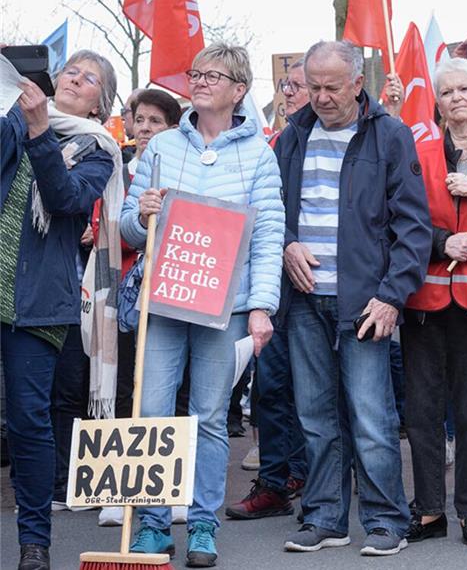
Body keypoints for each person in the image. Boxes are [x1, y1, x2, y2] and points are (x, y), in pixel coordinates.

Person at [122, 43, 285, 568]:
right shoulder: (164, 146)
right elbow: (127, 224)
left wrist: (261, 306)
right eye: (196, 73)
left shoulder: (259, 153)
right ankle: (151, 524)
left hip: (225, 306)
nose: (200, 81)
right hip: (164, 300)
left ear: (239, 90)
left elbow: (267, 235)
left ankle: (202, 525)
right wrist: (142, 213)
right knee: (150, 412)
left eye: (213, 75)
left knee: (210, 418)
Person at [273, 40, 430, 557]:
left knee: (372, 416)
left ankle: (387, 521)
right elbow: (272, 213)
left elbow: (413, 228)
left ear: (357, 83)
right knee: (315, 416)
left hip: (365, 302)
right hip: (304, 301)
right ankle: (325, 517)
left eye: (331, 87)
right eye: (312, 86)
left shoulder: (390, 136)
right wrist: (286, 242)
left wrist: (391, 297)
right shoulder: (290, 138)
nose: (319, 97)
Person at [2, 51, 121, 570]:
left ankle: (34, 542)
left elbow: (67, 198)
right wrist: (19, 118)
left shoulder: (98, 149)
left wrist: (40, 132)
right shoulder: (13, 116)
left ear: (102, 103)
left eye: (89, 77)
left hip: (38, 306)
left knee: (29, 422)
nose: (74, 77)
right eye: (71, 70)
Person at [400, 58, 467, 546]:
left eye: (466, 88)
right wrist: (443, 242)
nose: (457, 97)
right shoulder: (418, 152)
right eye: (447, 92)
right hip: (424, 299)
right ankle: (427, 510)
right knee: (421, 412)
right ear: (437, 103)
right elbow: (401, 219)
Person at [225, 59, 311, 521]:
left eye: (300, 85)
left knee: (320, 388)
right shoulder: (271, 145)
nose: (292, 92)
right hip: (276, 279)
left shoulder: (346, 136)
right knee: (272, 385)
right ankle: (276, 482)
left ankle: (319, 479)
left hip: (324, 279)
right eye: (287, 85)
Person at [96, 88, 183, 528]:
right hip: (117, 296)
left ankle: (171, 486)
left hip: (168, 292)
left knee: (167, 394)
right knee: (125, 388)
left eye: (157, 122)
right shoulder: (115, 169)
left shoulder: (180, 168)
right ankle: (123, 489)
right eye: (140, 120)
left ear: (172, 129)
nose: (146, 129)